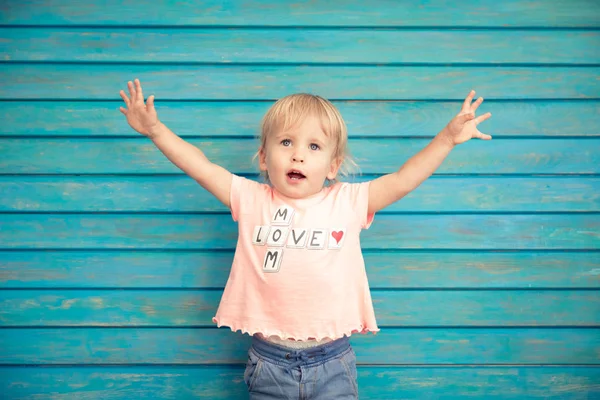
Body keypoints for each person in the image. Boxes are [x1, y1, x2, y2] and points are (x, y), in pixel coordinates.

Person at [119, 79, 492, 399]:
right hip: (268, 363)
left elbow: (403, 179)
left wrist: (447, 139)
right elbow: (199, 166)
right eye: (286, 143)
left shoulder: (348, 201)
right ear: (264, 158)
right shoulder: (250, 199)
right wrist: (155, 130)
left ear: (332, 167)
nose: (298, 155)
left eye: (314, 147)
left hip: (333, 363)